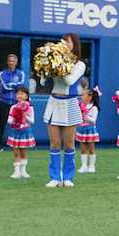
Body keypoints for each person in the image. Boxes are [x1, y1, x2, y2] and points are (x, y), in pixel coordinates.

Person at [41, 33, 85, 188]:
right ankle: (55, 177)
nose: (65, 43)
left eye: (68, 41)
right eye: (63, 41)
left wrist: (59, 64)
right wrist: (46, 64)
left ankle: (68, 177)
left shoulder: (79, 64)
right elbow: (42, 79)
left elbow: (69, 81)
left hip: (70, 104)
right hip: (54, 102)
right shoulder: (56, 59)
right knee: (54, 143)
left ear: (75, 44)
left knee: (69, 143)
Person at [0, 54, 26, 150]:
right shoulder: (2, 73)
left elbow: (20, 86)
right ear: (7, 62)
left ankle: (18, 143)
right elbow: (4, 86)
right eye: (9, 61)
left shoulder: (20, 73)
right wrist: (14, 86)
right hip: (4, 101)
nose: (11, 63)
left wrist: (12, 85)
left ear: (16, 62)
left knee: (18, 123)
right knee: (2, 123)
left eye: (13, 61)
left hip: (16, 102)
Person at [6, 88, 35, 179]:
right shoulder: (13, 107)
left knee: (23, 153)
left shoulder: (29, 107)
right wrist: (14, 119)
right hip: (15, 132)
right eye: (18, 94)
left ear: (26, 96)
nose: (19, 96)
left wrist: (24, 115)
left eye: (22, 94)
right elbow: (9, 120)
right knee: (16, 153)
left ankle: (23, 171)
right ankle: (16, 172)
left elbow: (32, 121)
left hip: (25, 131)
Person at [76, 88, 100, 174]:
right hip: (82, 128)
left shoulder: (94, 108)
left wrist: (85, 116)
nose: (82, 97)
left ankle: (92, 166)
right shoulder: (81, 106)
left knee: (91, 148)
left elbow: (93, 121)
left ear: (90, 97)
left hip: (90, 129)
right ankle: (84, 166)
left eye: (83, 95)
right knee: (83, 148)